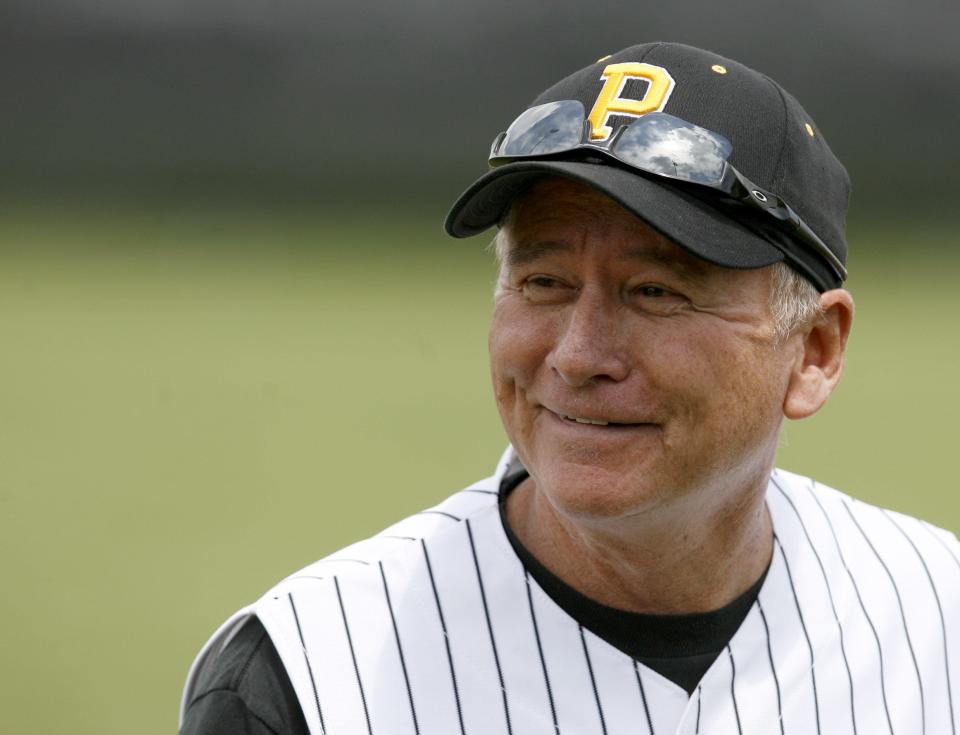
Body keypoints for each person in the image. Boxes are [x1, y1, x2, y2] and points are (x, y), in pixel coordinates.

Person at [180, 41, 960, 734]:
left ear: (814, 351)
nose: (579, 354)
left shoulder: (939, 618)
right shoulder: (306, 677)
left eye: (655, 291)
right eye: (545, 282)